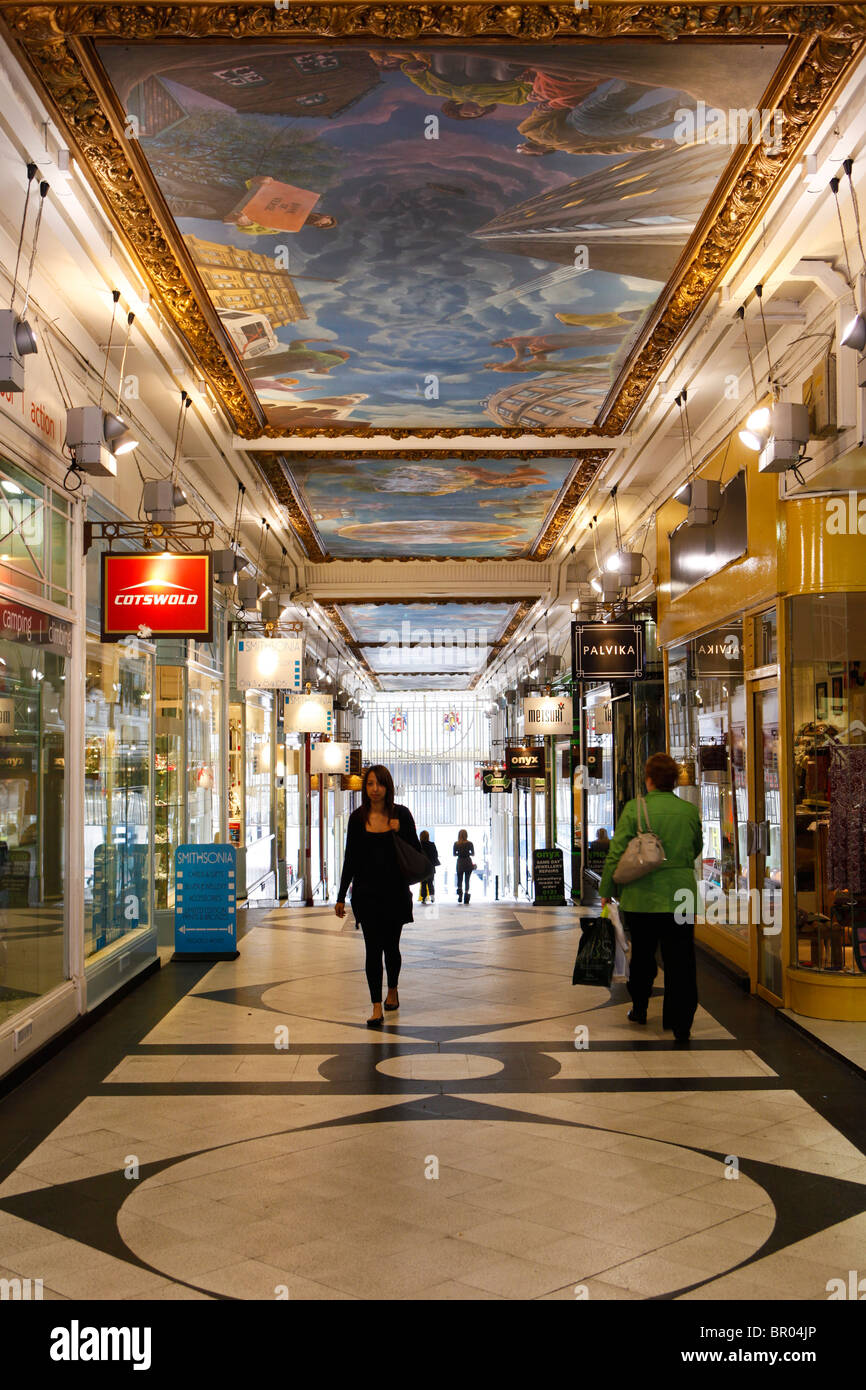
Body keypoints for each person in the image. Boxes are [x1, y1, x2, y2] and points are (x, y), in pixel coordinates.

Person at [599, 752, 703, 1044]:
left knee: (643, 955)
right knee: (681, 959)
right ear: (673, 780)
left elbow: (617, 853)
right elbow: (697, 847)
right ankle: (681, 1023)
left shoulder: (635, 809)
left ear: (649, 779)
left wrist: (607, 890)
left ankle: (640, 1006)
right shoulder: (688, 811)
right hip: (681, 896)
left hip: (641, 896)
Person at [335, 765, 421, 1027]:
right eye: (370, 784)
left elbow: (417, 852)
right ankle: (375, 1006)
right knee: (372, 950)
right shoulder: (357, 818)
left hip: (394, 892)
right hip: (366, 894)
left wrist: (400, 830)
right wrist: (340, 895)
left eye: (379, 784)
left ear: (388, 787)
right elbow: (350, 858)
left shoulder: (401, 815)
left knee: (391, 948)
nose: (374, 789)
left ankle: (392, 989)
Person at [453, 829, 475, 904]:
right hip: (468, 862)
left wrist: (459, 853)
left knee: (459, 879)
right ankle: (466, 896)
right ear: (466, 835)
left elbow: (454, 854)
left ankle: (460, 895)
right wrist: (467, 853)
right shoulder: (470, 843)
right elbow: (473, 854)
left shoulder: (456, 844)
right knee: (467, 880)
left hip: (460, 863)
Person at [418, 830, 440, 904]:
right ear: (428, 836)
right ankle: (432, 897)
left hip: (422, 866)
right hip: (431, 866)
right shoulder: (432, 844)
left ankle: (423, 898)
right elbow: (436, 855)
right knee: (430, 882)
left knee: (423, 883)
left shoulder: (419, 845)